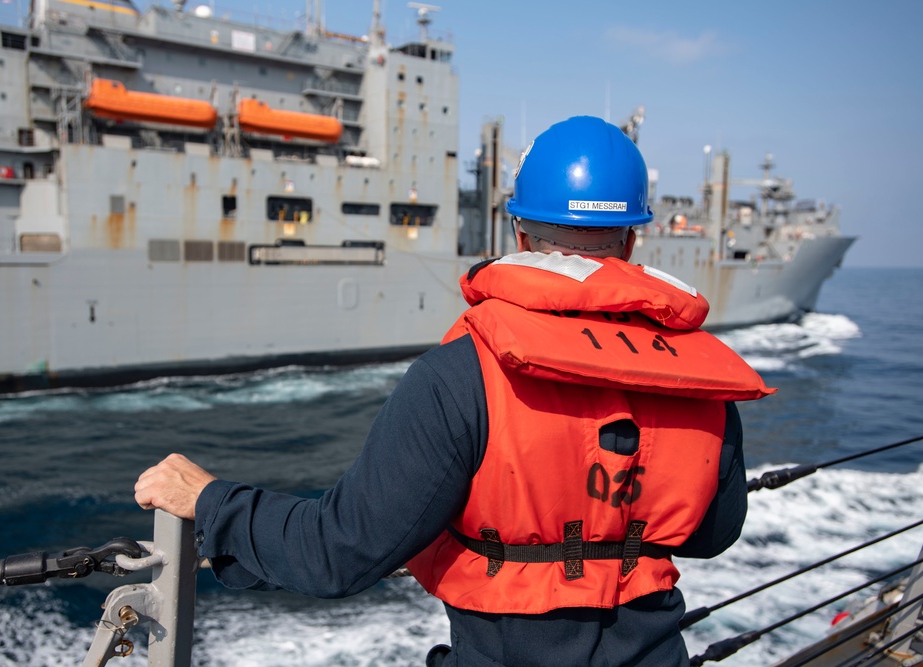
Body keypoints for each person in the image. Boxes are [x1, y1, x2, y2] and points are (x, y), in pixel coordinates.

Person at [135, 116, 775, 666]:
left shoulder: (459, 376)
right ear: (632, 240)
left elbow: (339, 550)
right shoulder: (699, 381)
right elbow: (712, 532)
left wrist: (211, 500)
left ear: (519, 235)